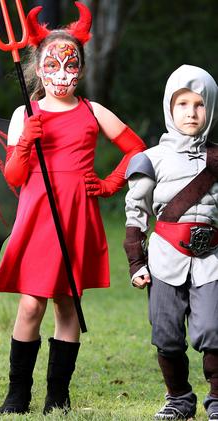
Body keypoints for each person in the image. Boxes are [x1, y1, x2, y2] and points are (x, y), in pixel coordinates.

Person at [0, 1, 146, 415]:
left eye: (71, 66)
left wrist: (111, 183)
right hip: (37, 214)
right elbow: (13, 176)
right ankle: (17, 394)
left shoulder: (93, 111)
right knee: (30, 303)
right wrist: (26, 140)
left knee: (66, 302)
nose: (63, 74)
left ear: (81, 68)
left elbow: (136, 150)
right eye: (54, 66)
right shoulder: (26, 113)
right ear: (38, 68)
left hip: (76, 215)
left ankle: (57, 395)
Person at [124, 64, 218, 420]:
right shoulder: (151, 159)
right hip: (164, 260)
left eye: (199, 104)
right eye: (182, 104)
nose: (191, 113)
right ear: (169, 107)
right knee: (166, 335)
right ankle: (179, 398)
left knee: (213, 328)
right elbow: (136, 215)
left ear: (211, 107)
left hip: (212, 259)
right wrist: (136, 262)